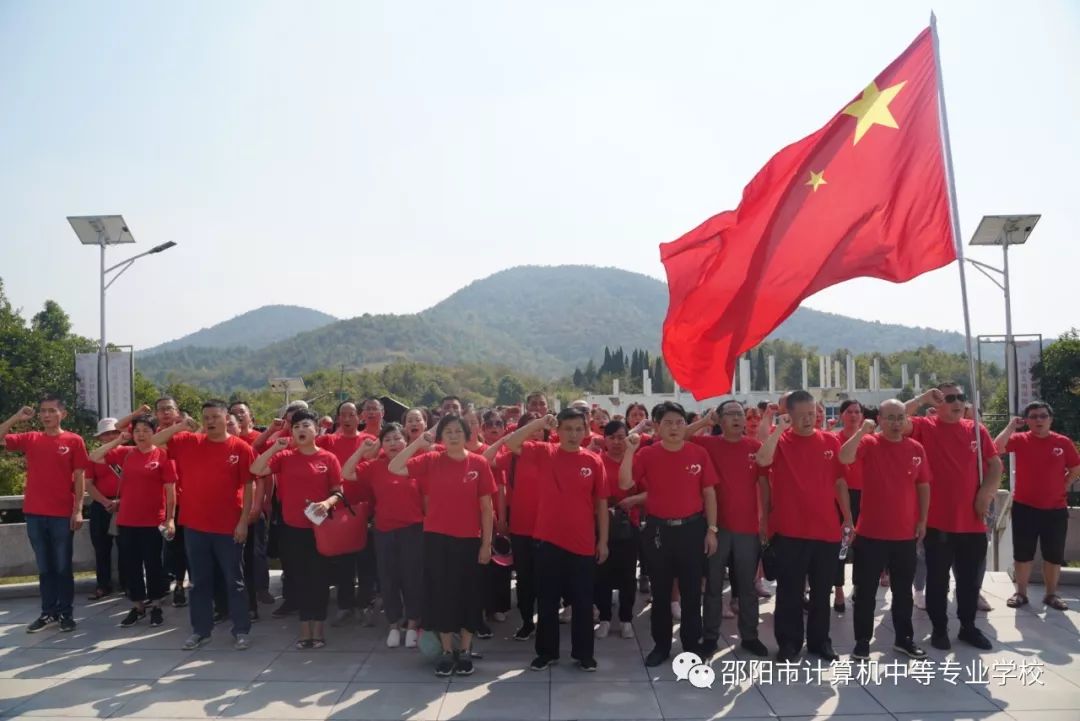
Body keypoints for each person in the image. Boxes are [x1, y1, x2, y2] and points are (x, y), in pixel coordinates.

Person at [389, 415, 495, 677]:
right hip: (437, 540)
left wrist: (486, 544)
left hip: (470, 539)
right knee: (442, 596)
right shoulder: (431, 460)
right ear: (441, 436)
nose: (454, 435)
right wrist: (419, 443)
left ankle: (466, 650)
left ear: (467, 434)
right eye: (448, 431)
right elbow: (395, 466)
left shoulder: (479, 463)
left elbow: (486, 507)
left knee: (469, 596)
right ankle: (447, 651)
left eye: (458, 431)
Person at [503, 408, 609, 672]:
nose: (573, 434)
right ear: (558, 430)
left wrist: (603, 541)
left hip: (583, 542)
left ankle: (583, 654)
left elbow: (602, 505)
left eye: (578, 429)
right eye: (568, 428)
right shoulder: (544, 452)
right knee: (547, 601)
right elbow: (511, 443)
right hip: (547, 541)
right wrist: (539, 422)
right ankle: (546, 652)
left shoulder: (593, 460)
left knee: (583, 602)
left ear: (585, 431)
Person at [756, 390, 852, 663]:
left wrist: (847, 517)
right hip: (790, 531)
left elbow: (840, 482)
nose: (809, 419)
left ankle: (821, 642)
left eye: (813, 414)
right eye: (802, 415)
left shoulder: (829, 442)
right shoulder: (781, 442)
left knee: (822, 592)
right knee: (790, 592)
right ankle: (789, 643)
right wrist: (778, 431)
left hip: (826, 530)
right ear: (789, 416)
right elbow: (762, 461)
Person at [152, 400, 257, 650]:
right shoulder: (190, 442)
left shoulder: (241, 448)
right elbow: (155, 442)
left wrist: (244, 521)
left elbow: (250, 485)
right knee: (198, 581)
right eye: (206, 417)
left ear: (226, 419)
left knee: (234, 580)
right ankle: (201, 630)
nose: (209, 421)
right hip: (195, 526)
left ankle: (241, 630)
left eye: (214, 417)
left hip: (228, 526)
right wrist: (179, 426)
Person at [622, 401, 719, 668]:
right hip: (658, 531)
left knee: (691, 593)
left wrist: (712, 529)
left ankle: (691, 645)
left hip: (692, 529)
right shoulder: (647, 454)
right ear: (656, 426)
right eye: (668, 422)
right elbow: (624, 483)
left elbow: (709, 493)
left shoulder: (698, 453)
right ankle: (661, 645)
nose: (675, 427)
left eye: (679, 422)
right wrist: (630, 451)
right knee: (661, 592)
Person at [904, 384, 1002, 650]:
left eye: (960, 397)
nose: (958, 402)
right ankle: (939, 629)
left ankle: (968, 627)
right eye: (950, 398)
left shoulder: (976, 429)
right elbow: (895, 419)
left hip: (972, 521)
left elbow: (995, 465)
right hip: (937, 522)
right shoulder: (925, 426)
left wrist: (986, 492)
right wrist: (922, 398)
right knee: (938, 580)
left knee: (970, 581)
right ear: (937, 405)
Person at [839, 400, 930, 660]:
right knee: (865, 592)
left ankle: (904, 639)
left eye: (900, 417)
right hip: (871, 534)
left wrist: (922, 520)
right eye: (890, 417)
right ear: (879, 419)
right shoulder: (869, 443)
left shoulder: (916, 448)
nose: (896, 422)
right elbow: (844, 457)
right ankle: (862, 641)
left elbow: (923, 485)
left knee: (903, 592)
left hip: (904, 535)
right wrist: (862, 431)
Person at [252, 409, 343, 649]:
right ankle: (304, 628)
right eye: (296, 427)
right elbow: (257, 469)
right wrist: (274, 448)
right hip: (292, 528)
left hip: (320, 529)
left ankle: (319, 628)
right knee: (300, 579)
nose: (301, 430)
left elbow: (338, 491)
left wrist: (327, 503)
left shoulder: (328, 458)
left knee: (319, 579)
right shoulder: (285, 457)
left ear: (316, 430)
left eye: (305, 425)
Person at [686, 401, 770, 658]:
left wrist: (765, 519)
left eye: (740, 414)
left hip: (747, 529)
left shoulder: (755, 448)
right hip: (716, 528)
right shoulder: (708, 445)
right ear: (720, 420)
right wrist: (703, 422)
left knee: (746, 586)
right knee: (712, 586)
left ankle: (750, 636)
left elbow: (765, 485)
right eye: (730, 414)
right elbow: (681, 436)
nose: (737, 418)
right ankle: (710, 637)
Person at [0, 397, 88, 633]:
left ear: (63, 414)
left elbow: (79, 477)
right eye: (43, 411)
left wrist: (78, 509)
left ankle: (66, 613)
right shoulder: (31, 438)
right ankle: (48, 612)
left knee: (62, 567)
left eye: (52, 411)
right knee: (45, 567)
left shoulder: (74, 440)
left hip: (61, 514)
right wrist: (17, 417)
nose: (46, 415)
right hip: (35, 514)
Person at [89, 415, 177, 628]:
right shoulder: (125, 454)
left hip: (152, 520)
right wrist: (119, 440)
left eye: (146, 430)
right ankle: (138, 606)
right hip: (127, 520)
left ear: (154, 433)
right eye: (137, 431)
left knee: (153, 564)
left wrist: (170, 518)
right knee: (131, 566)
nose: (141, 434)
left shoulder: (163, 456)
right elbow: (94, 456)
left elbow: (170, 491)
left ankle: (156, 605)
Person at [344, 423, 425, 648]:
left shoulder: (416, 463)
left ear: (406, 442)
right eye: (387, 439)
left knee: (412, 578)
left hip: (413, 530)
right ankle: (393, 624)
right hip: (384, 531)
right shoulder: (375, 467)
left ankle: (412, 623)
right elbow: (346, 473)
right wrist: (362, 450)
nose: (392, 443)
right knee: (388, 578)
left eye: (397, 438)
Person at [995, 401, 1080, 611]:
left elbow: (1076, 467)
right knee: (1023, 554)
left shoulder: (1063, 442)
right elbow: (997, 447)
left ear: (1050, 419)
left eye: (1043, 416)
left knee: (1053, 554)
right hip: (1025, 507)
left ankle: (1051, 594)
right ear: (1027, 421)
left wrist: (1065, 483)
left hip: (1055, 509)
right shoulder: (1021, 439)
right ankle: (1021, 593)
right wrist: (1011, 427)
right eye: (1033, 417)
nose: (1039, 420)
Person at [483, 411, 549, 641]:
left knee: (547, 579)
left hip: (550, 527)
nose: (535, 432)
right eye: (530, 428)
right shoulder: (513, 456)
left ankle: (547, 623)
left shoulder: (553, 453)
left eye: (539, 428)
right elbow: (487, 459)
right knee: (525, 579)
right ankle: (527, 621)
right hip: (521, 526)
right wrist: (504, 440)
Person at [318, 400, 377, 627]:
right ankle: (345, 605)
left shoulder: (369, 442)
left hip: (366, 510)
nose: (348, 418)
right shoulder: (329, 441)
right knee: (344, 563)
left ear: (359, 417)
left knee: (366, 563)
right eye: (343, 414)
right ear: (339, 418)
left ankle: (365, 605)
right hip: (340, 510)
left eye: (352, 414)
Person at [595, 420, 644, 640]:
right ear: (604, 439)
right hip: (601, 526)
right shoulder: (597, 462)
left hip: (629, 526)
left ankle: (626, 619)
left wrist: (633, 500)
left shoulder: (635, 460)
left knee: (627, 576)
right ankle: (604, 618)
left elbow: (651, 491)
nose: (616, 442)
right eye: (612, 437)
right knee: (601, 574)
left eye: (621, 437)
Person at [84, 418, 124, 601]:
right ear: (100, 437)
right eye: (106, 434)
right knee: (101, 547)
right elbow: (89, 485)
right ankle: (103, 585)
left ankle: (128, 584)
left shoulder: (128, 452)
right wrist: (105, 502)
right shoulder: (94, 456)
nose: (110, 436)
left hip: (125, 505)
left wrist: (121, 501)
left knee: (126, 547)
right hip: (101, 506)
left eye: (113, 433)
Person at [832, 400, 866, 613]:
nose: (853, 415)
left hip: (867, 496)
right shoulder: (835, 439)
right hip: (841, 496)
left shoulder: (869, 439)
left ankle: (859, 586)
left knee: (863, 546)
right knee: (841, 545)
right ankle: (838, 589)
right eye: (849, 412)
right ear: (842, 415)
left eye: (857, 412)